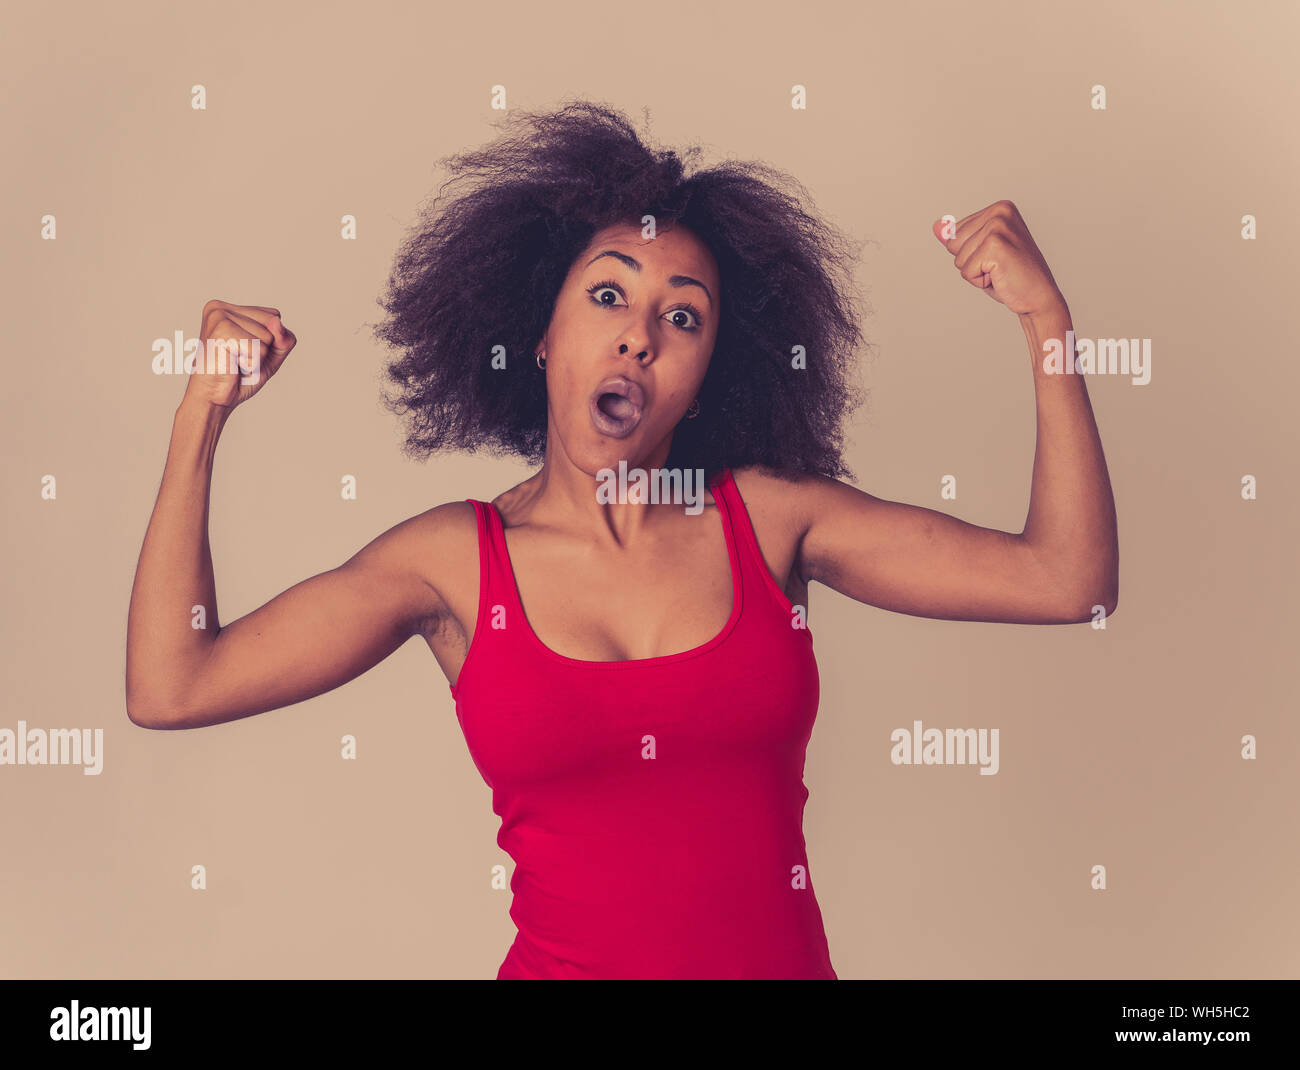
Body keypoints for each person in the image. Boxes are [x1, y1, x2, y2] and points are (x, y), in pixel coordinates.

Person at [125, 100, 1118, 979]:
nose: (639, 333)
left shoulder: (770, 521)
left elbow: (1068, 578)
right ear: (543, 332)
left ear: (708, 369)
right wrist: (200, 415)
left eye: (681, 316)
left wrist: (1046, 322)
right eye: (608, 296)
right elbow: (173, 684)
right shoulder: (452, 565)